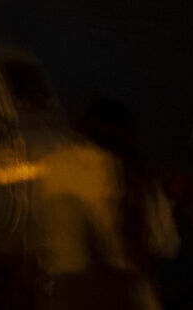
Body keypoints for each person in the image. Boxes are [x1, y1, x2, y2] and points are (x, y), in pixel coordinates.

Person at [37, 98, 178, 310]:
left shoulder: (55, 166)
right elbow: (168, 245)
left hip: (69, 295)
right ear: (127, 134)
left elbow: (42, 234)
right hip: (127, 297)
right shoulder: (134, 177)